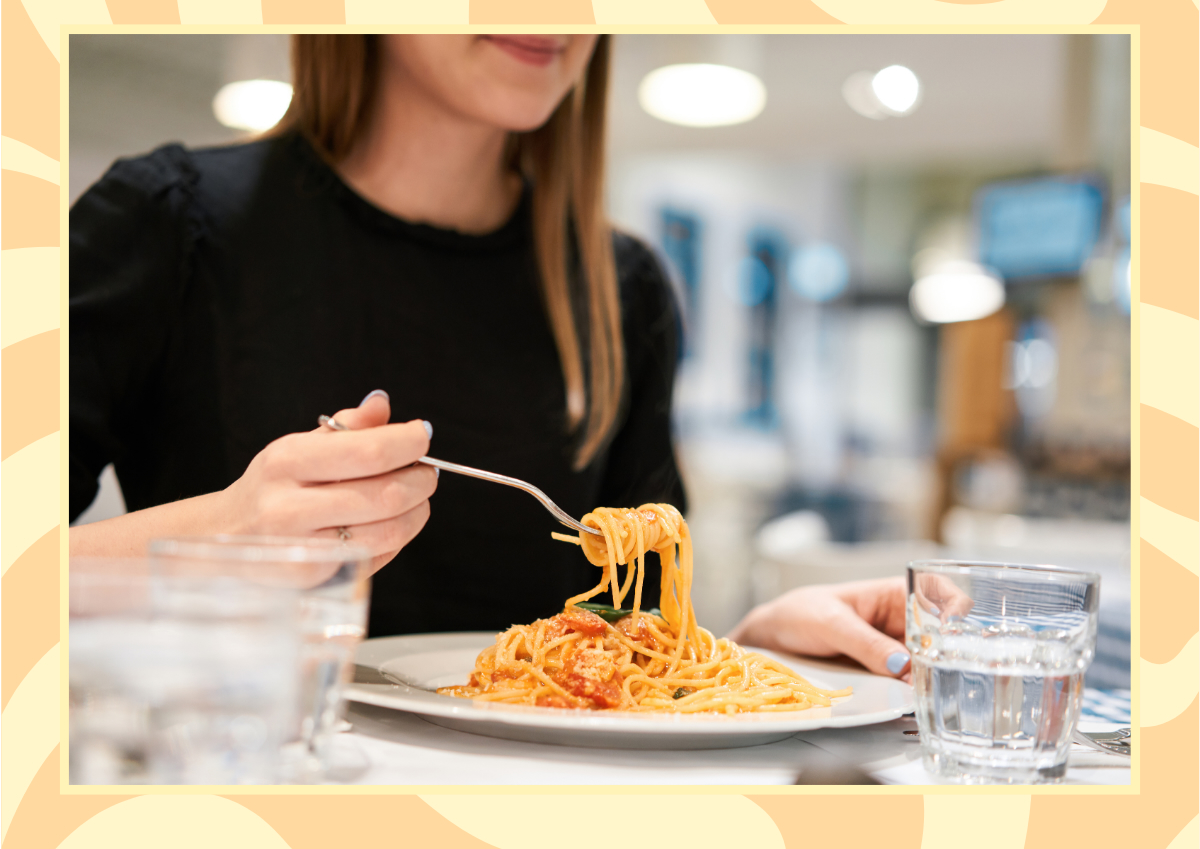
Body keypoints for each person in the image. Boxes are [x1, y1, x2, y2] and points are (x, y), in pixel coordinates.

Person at [69, 33, 911, 678]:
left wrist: (755, 652)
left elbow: (633, 644)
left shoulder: (623, 290)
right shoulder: (164, 223)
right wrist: (219, 538)